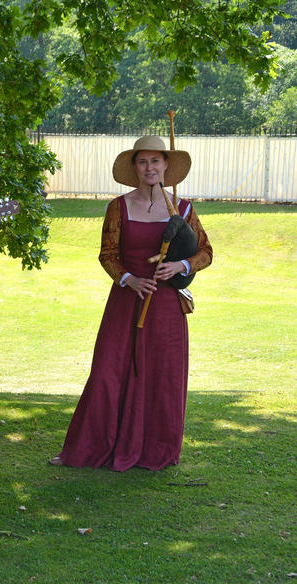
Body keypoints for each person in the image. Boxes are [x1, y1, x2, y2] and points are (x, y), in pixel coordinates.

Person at [50, 135, 212, 471]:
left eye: (156, 161)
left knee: (161, 376)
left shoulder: (183, 209)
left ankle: (155, 449)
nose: (150, 168)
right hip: (126, 303)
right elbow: (107, 254)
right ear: (135, 167)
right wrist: (129, 279)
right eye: (143, 162)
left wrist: (180, 266)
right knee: (108, 372)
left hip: (166, 308)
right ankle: (90, 448)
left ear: (166, 165)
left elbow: (205, 253)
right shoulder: (118, 207)